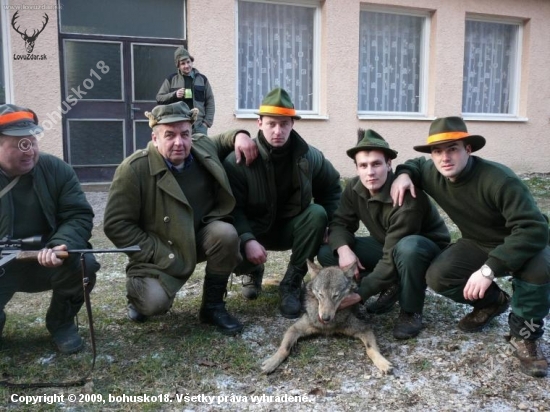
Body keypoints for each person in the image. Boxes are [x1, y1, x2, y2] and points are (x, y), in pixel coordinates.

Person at [391, 116, 550, 377]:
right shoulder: (433, 171)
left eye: (452, 149)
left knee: (538, 272)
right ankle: (493, 302)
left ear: (468, 149)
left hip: (523, 241)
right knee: (439, 276)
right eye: (437, 151)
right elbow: (415, 164)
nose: (444, 158)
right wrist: (404, 175)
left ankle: (526, 336)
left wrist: (489, 270)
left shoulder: (499, 180)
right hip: (478, 241)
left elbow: (534, 228)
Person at [103, 101, 257, 336]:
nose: (179, 142)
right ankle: (137, 298)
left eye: (185, 134)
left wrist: (241, 135)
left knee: (225, 234)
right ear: (155, 138)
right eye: (169, 135)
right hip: (160, 248)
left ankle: (212, 306)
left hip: (196, 238)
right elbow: (116, 224)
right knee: (154, 303)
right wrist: (154, 250)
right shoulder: (134, 169)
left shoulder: (201, 147)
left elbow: (222, 140)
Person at [317, 129, 450, 339]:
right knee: (328, 252)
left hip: (426, 253)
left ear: (389, 164)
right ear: (357, 168)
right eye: (363, 165)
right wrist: (343, 249)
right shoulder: (354, 187)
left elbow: (392, 256)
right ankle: (392, 282)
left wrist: (360, 294)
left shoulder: (406, 198)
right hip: (389, 245)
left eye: (376, 164)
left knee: (407, 250)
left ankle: (410, 310)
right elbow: (341, 222)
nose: (370, 172)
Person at [223, 88, 342, 319]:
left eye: (284, 124)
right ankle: (252, 270)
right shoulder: (237, 161)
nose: (278, 131)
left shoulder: (309, 156)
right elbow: (230, 207)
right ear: (259, 123)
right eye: (271, 124)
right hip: (254, 230)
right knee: (224, 235)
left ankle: (291, 282)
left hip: (290, 228)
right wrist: (246, 239)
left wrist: (333, 224)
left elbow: (332, 188)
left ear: (292, 124)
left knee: (317, 213)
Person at [0, 104, 99, 354]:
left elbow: (78, 215)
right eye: (19, 144)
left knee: (83, 262)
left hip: (47, 261)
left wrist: (60, 244)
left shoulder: (58, 170)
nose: (29, 151)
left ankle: (61, 323)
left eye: (31, 141)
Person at [156, 47, 214, 135]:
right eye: (183, 63)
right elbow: (159, 98)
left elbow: (210, 101)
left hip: (199, 127)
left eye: (188, 62)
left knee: (200, 149)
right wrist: (174, 94)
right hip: (179, 127)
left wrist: (206, 123)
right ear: (178, 66)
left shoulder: (202, 79)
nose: (187, 66)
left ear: (191, 61)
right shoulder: (171, 79)